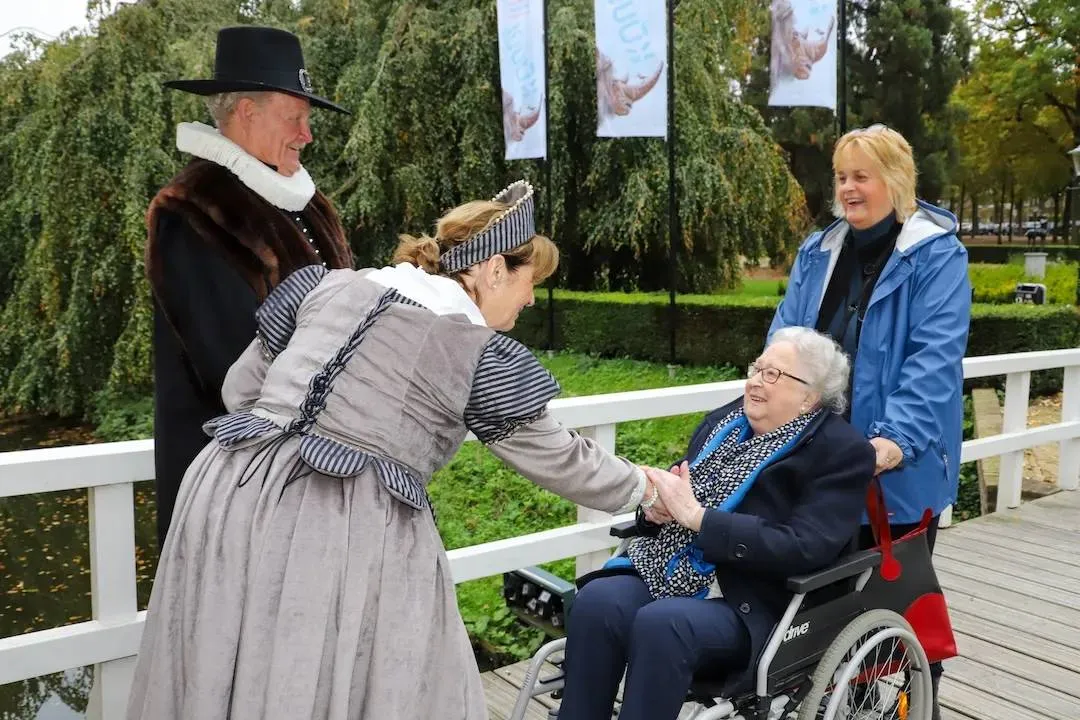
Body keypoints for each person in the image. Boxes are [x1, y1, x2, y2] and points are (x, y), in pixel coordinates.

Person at [126, 180, 662, 720]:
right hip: (332, 518)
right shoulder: (468, 347)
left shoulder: (332, 286)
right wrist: (645, 488)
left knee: (225, 662)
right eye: (529, 282)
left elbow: (241, 389)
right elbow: (558, 456)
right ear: (495, 269)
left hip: (227, 485)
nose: (529, 298)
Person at [556, 327, 876, 720]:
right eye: (757, 368)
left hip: (755, 600)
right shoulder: (723, 424)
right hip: (672, 569)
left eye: (773, 374)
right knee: (597, 603)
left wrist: (699, 519)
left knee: (663, 624)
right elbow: (681, 494)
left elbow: (805, 547)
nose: (756, 380)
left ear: (808, 396)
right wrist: (656, 509)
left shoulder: (841, 453)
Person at [768, 124, 970, 717]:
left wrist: (893, 442)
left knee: (894, 603)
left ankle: (912, 703)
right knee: (820, 617)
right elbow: (784, 339)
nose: (848, 189)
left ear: (896, 181)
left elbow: (933, 361)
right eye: (841, 177)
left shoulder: (935, 257)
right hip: (820, 461)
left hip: (891, 472)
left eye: (862, 176)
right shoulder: (819, 252)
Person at [146, 26, 354, 549]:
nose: (307, 134)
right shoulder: (191, 211)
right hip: (229, 487)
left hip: (304, 476)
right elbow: (233, 368)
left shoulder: (309, 203)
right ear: (245, 113)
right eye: (296, 117)